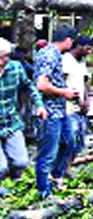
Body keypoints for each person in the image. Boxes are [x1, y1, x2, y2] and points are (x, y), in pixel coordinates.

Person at [34, 25, 79, 199]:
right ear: (68, 40)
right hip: (49, 112)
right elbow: (41, 84)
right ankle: (43, 192)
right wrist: (64, 92)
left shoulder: (55, 55)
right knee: (48, 152)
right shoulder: (48, 55)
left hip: (60, 110)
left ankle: (56, 176)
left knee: (69, 142)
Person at [0, 38, 47, 196]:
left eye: (5, 56)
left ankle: (15, 183)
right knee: (1, 167)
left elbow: (29, 86)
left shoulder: (15, 68)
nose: (2, 61)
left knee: (21, 162)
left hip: (11, 122)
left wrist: (39, 105)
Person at [62, 36, 93, 178]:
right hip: (68, 108)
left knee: (80, 142)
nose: (89, 52)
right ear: (79, 46)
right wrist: (77, 101)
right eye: (87, 48)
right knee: (70, 140)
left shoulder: (82, 62)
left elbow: (84, 82)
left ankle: (67, 167)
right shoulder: (66, 60)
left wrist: (86, 100)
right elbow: (62, 83)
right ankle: (59, 169)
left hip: (80, 109)